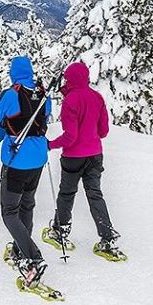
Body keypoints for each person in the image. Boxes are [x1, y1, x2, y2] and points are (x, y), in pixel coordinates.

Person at [44, 61, 123, 261]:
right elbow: (103, 131)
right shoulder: (97, 97)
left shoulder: (70, 100)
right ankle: (107, 238)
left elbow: (70, 136)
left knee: (67, 193)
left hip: (73, 157)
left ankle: (59, 231)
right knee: (95, 194)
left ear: (69, 79)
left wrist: (50, 144)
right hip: (95, 155)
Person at [0, 56, 53, 287]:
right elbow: (45, 118)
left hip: (16, 161)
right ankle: (19, 249)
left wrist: (6, 117)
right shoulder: (45, 94)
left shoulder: (11, 94)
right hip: (38, 160)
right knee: (27, 205)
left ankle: (34, 258)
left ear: (13, 73)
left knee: (9, 212)